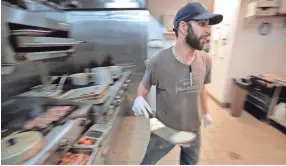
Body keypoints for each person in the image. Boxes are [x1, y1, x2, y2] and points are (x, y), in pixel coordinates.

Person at [132, 2, 223, 165]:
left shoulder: (205, 60)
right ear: (183, 27)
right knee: (147, 163)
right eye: (202, 24)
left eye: (208, 25)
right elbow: (144, 86)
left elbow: (202, 87)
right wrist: (139, 98)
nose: (208, 30)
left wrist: (207, 113)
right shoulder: (157, 62)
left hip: (193, 132)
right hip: (164, 130)